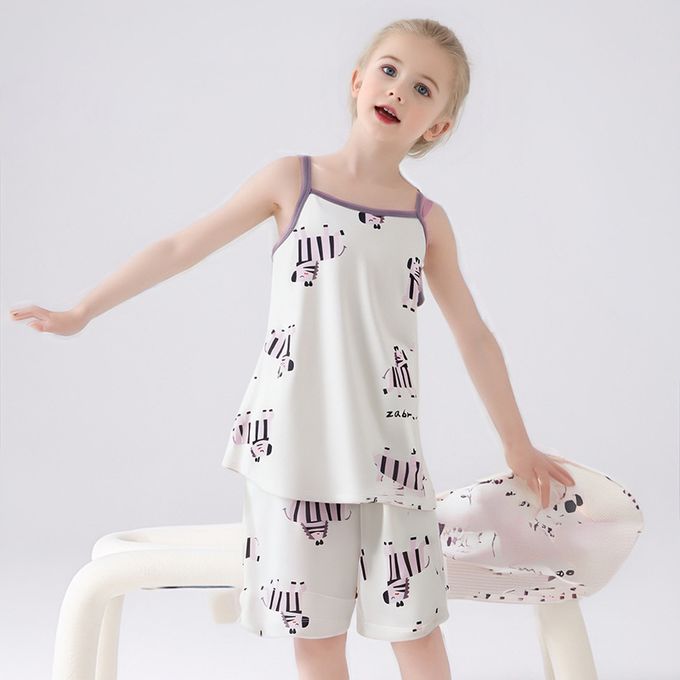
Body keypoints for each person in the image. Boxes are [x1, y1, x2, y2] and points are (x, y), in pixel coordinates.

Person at [9, 17, 576, 680]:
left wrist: (517, 443)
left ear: (438, 126)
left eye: (423, 88)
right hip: (293, 452)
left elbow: (474, 335)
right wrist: (81, 311)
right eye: (389, 70)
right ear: (358, 81)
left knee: (416, 630)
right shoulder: (292, 181)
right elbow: (180, 247)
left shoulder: (427, 222)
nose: (399, 89)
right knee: (316, 638)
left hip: (388, 457)